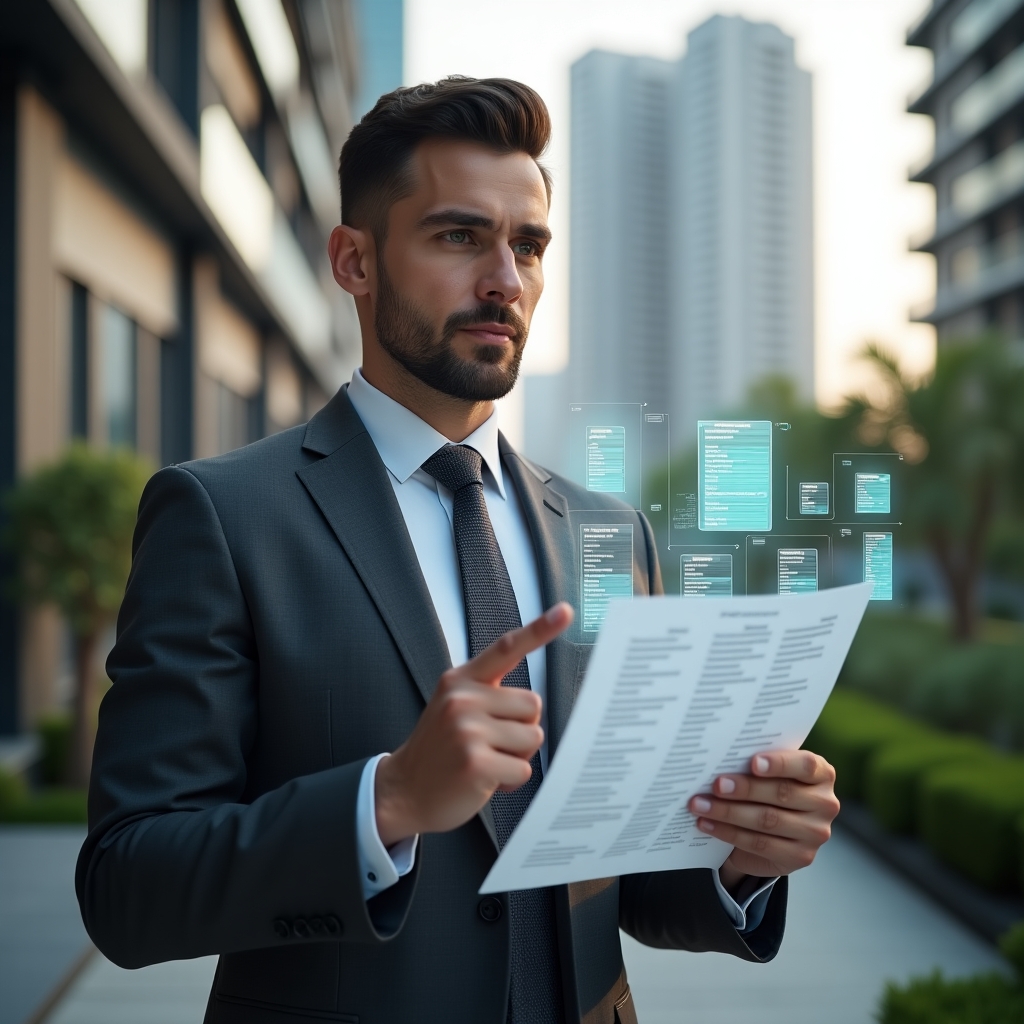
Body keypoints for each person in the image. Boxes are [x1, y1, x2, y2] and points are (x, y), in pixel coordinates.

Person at [77, 77, 840, 1024]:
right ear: (354, 262)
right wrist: (385, 800)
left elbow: (624, 887)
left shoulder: (611, 533)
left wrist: (741, 857)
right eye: (458, 236)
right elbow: (127, 886)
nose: (505, 281)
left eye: (527, 245)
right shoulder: (222, 517)